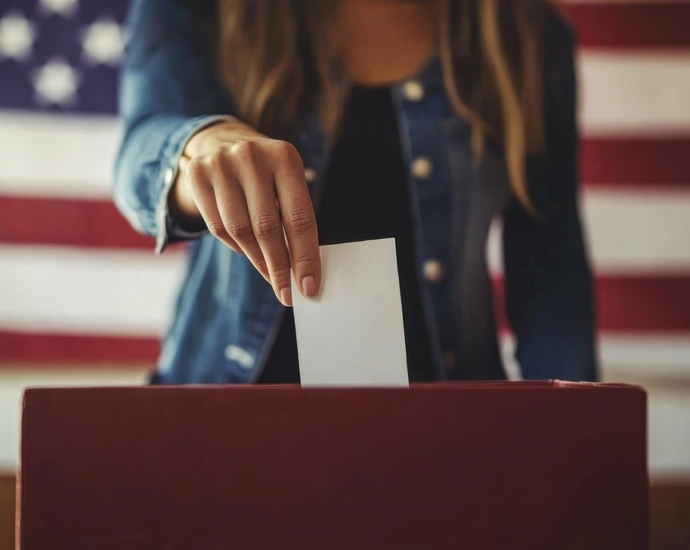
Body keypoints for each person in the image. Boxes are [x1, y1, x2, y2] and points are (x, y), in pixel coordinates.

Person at [114, 0, 596, 384]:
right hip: (224, 423)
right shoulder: (201, 8)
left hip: (446, 433)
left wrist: (572, 446)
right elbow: (141, 153)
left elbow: (552, 274)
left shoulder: (526, 33)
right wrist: (200, 147)